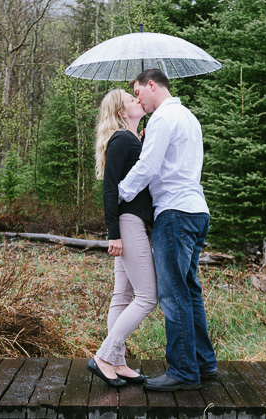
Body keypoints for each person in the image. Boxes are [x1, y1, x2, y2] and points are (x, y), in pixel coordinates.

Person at [118, 68, 217, 391]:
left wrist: (119, 193)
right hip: (197, 211)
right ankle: (204, 363)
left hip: (174, 213)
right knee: (189, 289)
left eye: (138, 92)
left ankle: (184, 372)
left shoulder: (162, 119)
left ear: (151, 85)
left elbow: (147, 167)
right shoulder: (188, 116)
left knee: (173, 294)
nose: (137, 99)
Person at [86, 88, 158, 387]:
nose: (137, 100)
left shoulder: (130, 140)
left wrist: (141, 144)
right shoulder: (121, 139)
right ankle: (104, 357)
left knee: (122, 297)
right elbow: (110, 189)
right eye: (131, 100)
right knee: (147, 297)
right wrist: (113, 234)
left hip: (132, 222)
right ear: (121, 113)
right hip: (128, 225)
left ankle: (117, 361)